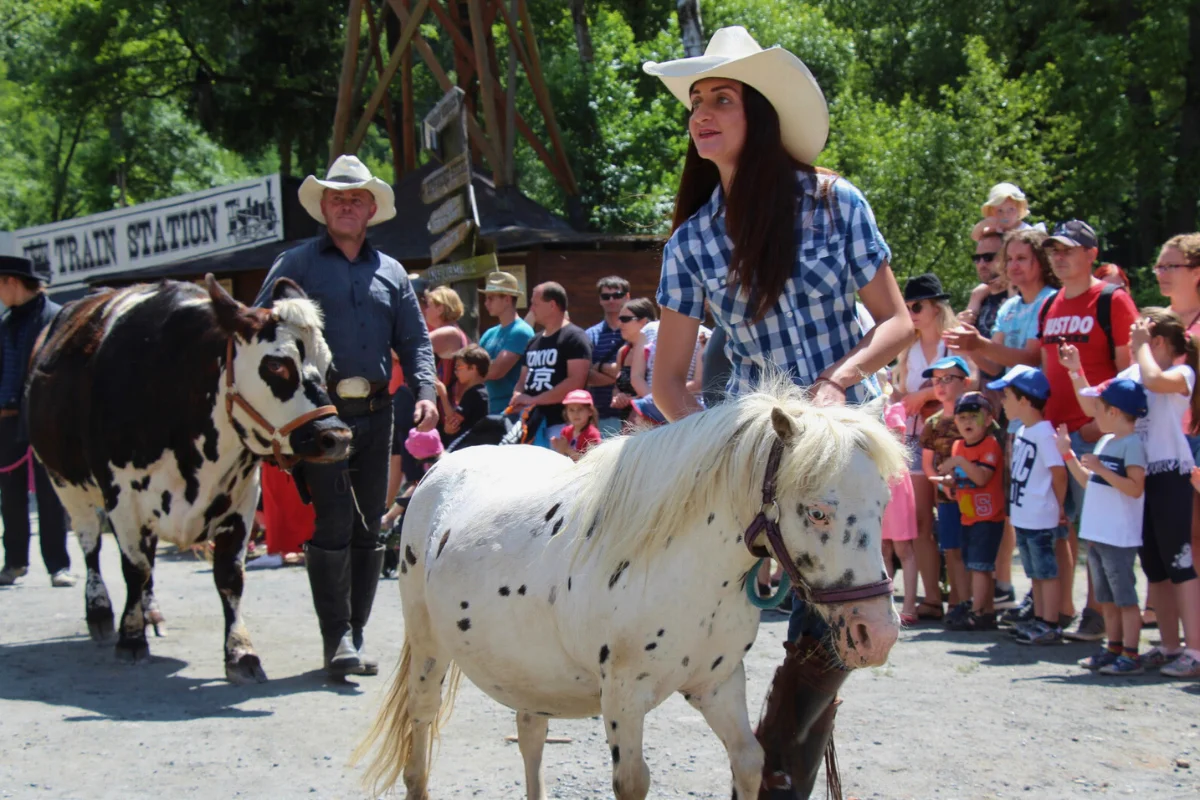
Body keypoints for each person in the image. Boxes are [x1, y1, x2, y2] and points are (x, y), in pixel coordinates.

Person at [643, 26, 912, 795]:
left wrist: (840, 379)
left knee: (833, 625)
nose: (701, 114)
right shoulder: (691, 243)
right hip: (758, 457)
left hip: (847, 445)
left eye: (721, 99)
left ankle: (774, 770)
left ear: (759, 114)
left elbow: (895, 321)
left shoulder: (835, 201)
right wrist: (714, 448)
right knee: (714, 614)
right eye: (696, 102)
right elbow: (668, 383)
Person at [254, 154, 437, 677]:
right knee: (333, 523)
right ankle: (336, 639)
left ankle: (354, 636)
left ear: (372, 207)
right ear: (324, 207)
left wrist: (425, 388)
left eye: (356, 197)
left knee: (368, 527)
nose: (347, 205)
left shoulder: (394, 272)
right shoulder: (296, 265)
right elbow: (263, 333)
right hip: (321, 417)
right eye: (337, 197)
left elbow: (415, 340)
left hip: (379, 413)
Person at [1064, 308, 1200, 678]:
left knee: (1180, 564)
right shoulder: (1134, 372)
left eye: (1138, 335)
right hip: (1140, 477)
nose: (1130, 341)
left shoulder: (1181, 372)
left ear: (1157, 341)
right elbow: (1095, 405)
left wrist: (1141, 348)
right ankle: (1170, 646)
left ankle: (1196, 649)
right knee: (1155, 567)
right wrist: (1076, 370)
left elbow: (1155, 380)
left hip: (1170, 473)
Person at [945, 228, 1059, 617]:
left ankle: (1060, 604)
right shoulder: (1009, 308)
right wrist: (971, 348)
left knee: (1056, 517)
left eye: (1022, 258)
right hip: (1014, 421)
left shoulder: (1048, 302)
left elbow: (1030, 359)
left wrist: (978, 344)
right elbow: (996, 366)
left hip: (1047, 418)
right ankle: (1037, 598)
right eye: (1008, 259)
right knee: (1022, 512)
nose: (1012, 265)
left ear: (1041, 262)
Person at [1038, 219, 1139, 642]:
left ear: (1092, 254)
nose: (1059, 257)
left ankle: (1103, 616)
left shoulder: (1112, 299)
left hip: (1099, 434)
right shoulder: (1050, 304)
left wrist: (1106, 427)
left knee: (1098, 532)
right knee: (1064, 526)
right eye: (1054, 250)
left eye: (1069, 249)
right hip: (1056, 432)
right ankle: (1061, 610)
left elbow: (1129, 368)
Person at [1054, 379, 1147, 669]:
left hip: (1119, 537)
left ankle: (1130, 654)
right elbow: (1088, 482)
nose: (1094, 413)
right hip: (1098, 535)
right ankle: (1114, 648)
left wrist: (1100, 469)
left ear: (1115, 412)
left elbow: (1135, 488)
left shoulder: (1132, 444)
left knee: (1124, 597)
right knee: (1106, 597)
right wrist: (1068, 454)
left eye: (1099, 407)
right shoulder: (1107, 441)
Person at [0, 256, 73, 587]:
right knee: (10, 494)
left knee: (51, 493)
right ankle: (14, 561)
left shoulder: (56, 319)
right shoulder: (6, 323)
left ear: (11, 283)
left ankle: (58, 565)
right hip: (7, 421)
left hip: (45, 418)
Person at [989, 366, 1068, 642]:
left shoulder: (1044, 433)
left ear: (1025, 400)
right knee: (1035, 573)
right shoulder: (1024, 431)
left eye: (1007, 396)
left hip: (1041, 516)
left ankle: (1050, 623)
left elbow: (1058, 473)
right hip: (1024, 516)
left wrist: (1059, 506)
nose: (1003, 402)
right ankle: (1038, 618)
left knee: (1046, 573)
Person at [896, 276, 959, 620]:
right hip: (917, 438)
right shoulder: (909, 348)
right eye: (906, 308)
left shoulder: (955, 343)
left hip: (954, 440)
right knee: (920, 521)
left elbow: (971, 382)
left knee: (954, 518)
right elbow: (901, 392)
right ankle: (932, 598)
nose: (912, 313)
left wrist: (924, 394)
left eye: (917, 306)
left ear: (937, 306)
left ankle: (965, 600)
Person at [938, 392, 1006, 630]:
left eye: (973, 417)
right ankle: (985, 612)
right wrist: (948, 481)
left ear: (988, 420)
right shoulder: (958, 446)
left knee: (980, 567)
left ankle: (978, 612)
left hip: (988, 517)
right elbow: (961, 479)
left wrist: (958, 463)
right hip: (968, 515)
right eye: (962, 417)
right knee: (975, 566)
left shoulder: (990, 445)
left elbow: (981, 477)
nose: (967, 422)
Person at [919, 356, 974, 619]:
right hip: (948, 498)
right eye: (935, 380)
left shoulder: (980, 418)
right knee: (951, 549)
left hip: (978, 497)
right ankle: (956, 602)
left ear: (967, 382)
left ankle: (977, 603)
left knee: (975, 550)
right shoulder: (932, 424)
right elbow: (928, 464)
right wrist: (941, 484)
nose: (939, 385)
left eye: (947, 379)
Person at [510, 282, 591, 444]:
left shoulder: (575, 337)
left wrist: (533, 400)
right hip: (530, 423)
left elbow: (575, 382)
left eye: (535, 304)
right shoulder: (533, 341)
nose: (531, 309)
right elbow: (522, 380)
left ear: (552, 305)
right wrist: (517, 396)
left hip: (561, 425)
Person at [881, 400, 919, 625]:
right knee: (883, 548)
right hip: (878, 482)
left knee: (903, 547)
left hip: (895, 481)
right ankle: (886, 606)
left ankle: (909, 606)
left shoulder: (893, 409)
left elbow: (895, 443)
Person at [479, 272, 535, 415]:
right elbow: (475, 366)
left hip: (514, 411)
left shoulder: (521, 331)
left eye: (491, 298)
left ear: (507, 299)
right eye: (486, 298)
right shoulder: (489, 333)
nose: (486, 303)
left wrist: (469, 372)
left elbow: (496, 371)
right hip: (491, 409)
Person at [586, 277, 630, 438]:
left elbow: (642, 371)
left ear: (627, 297)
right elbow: (587, 376)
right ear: (600, 300)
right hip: (600, 415)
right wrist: (624, 377)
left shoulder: (637, 330)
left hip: (632, 413)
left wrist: (600, 367)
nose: (611, 300)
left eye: (617, 295)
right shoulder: (590, 334)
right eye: (606, 296)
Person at [441, 345, 490, 447]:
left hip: (467, 446)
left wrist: (442, 393)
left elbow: (453, 422)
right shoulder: (483, 392)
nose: (456, 372)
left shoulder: (474, 394)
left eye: (458, 367)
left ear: (473, 368)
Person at [550, 389, 602, 461]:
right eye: (571, 410)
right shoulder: (565, 431)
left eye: (580, 409)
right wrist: (559, 447)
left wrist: (567, 448)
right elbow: (562, 457)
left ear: (590, 411)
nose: (575, 414)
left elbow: (590, 461)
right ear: (566, 412)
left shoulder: (592, 434)